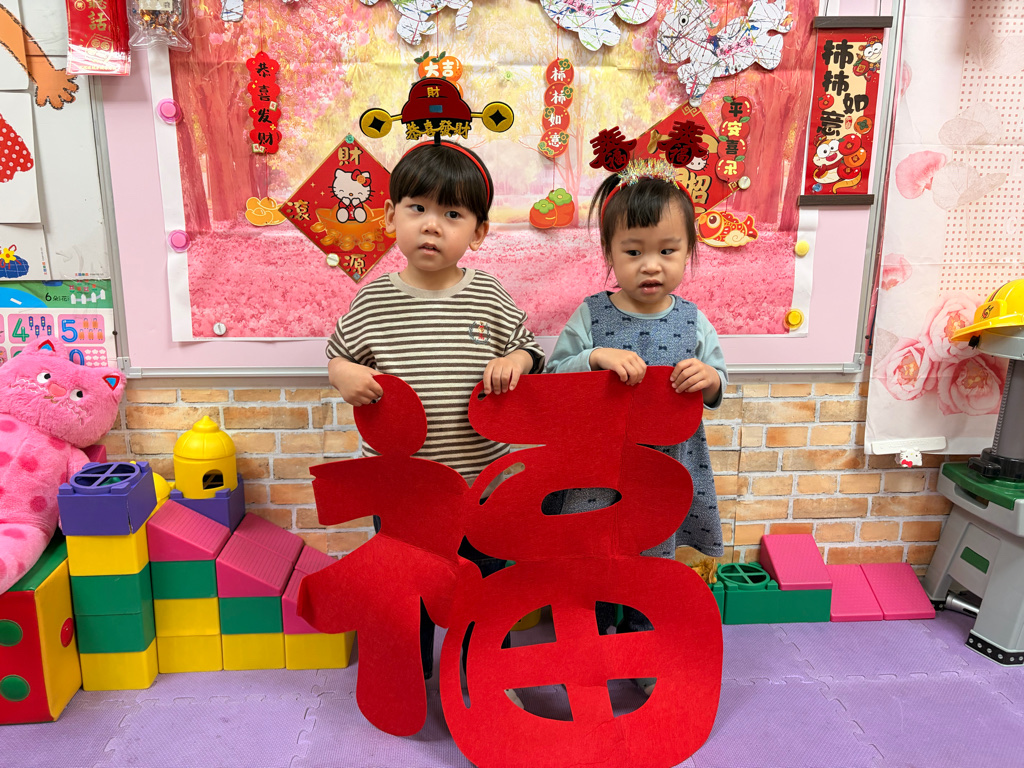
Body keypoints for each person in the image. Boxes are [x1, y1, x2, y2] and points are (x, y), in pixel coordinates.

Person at [326, 140, 544, 693]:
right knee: (410, 584)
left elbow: (529, 347)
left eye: (452, 215)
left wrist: (515, 361)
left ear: (478, 232)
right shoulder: (373, 301)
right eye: (417, 208)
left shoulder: (488, 295)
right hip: (404, 489)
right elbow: (339, 356)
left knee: (483, 584)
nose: (431, 225)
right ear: (390, 216)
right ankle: (412, 670)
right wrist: (344, 374)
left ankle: (483, 670)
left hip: (481, 484)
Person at [546, 161, 728, 692]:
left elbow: (718, 385)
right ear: (610, 254)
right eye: (633, 252)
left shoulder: (692, 320)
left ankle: (643, 648)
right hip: (597, 470)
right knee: (594, 558)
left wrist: (708, 378)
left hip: (663, 471)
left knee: (653, 563)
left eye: (667, 251)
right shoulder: (591, 316)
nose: (651, 266)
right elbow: (553, 377)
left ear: (688, 252)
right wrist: (592, 357)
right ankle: (592, 645)